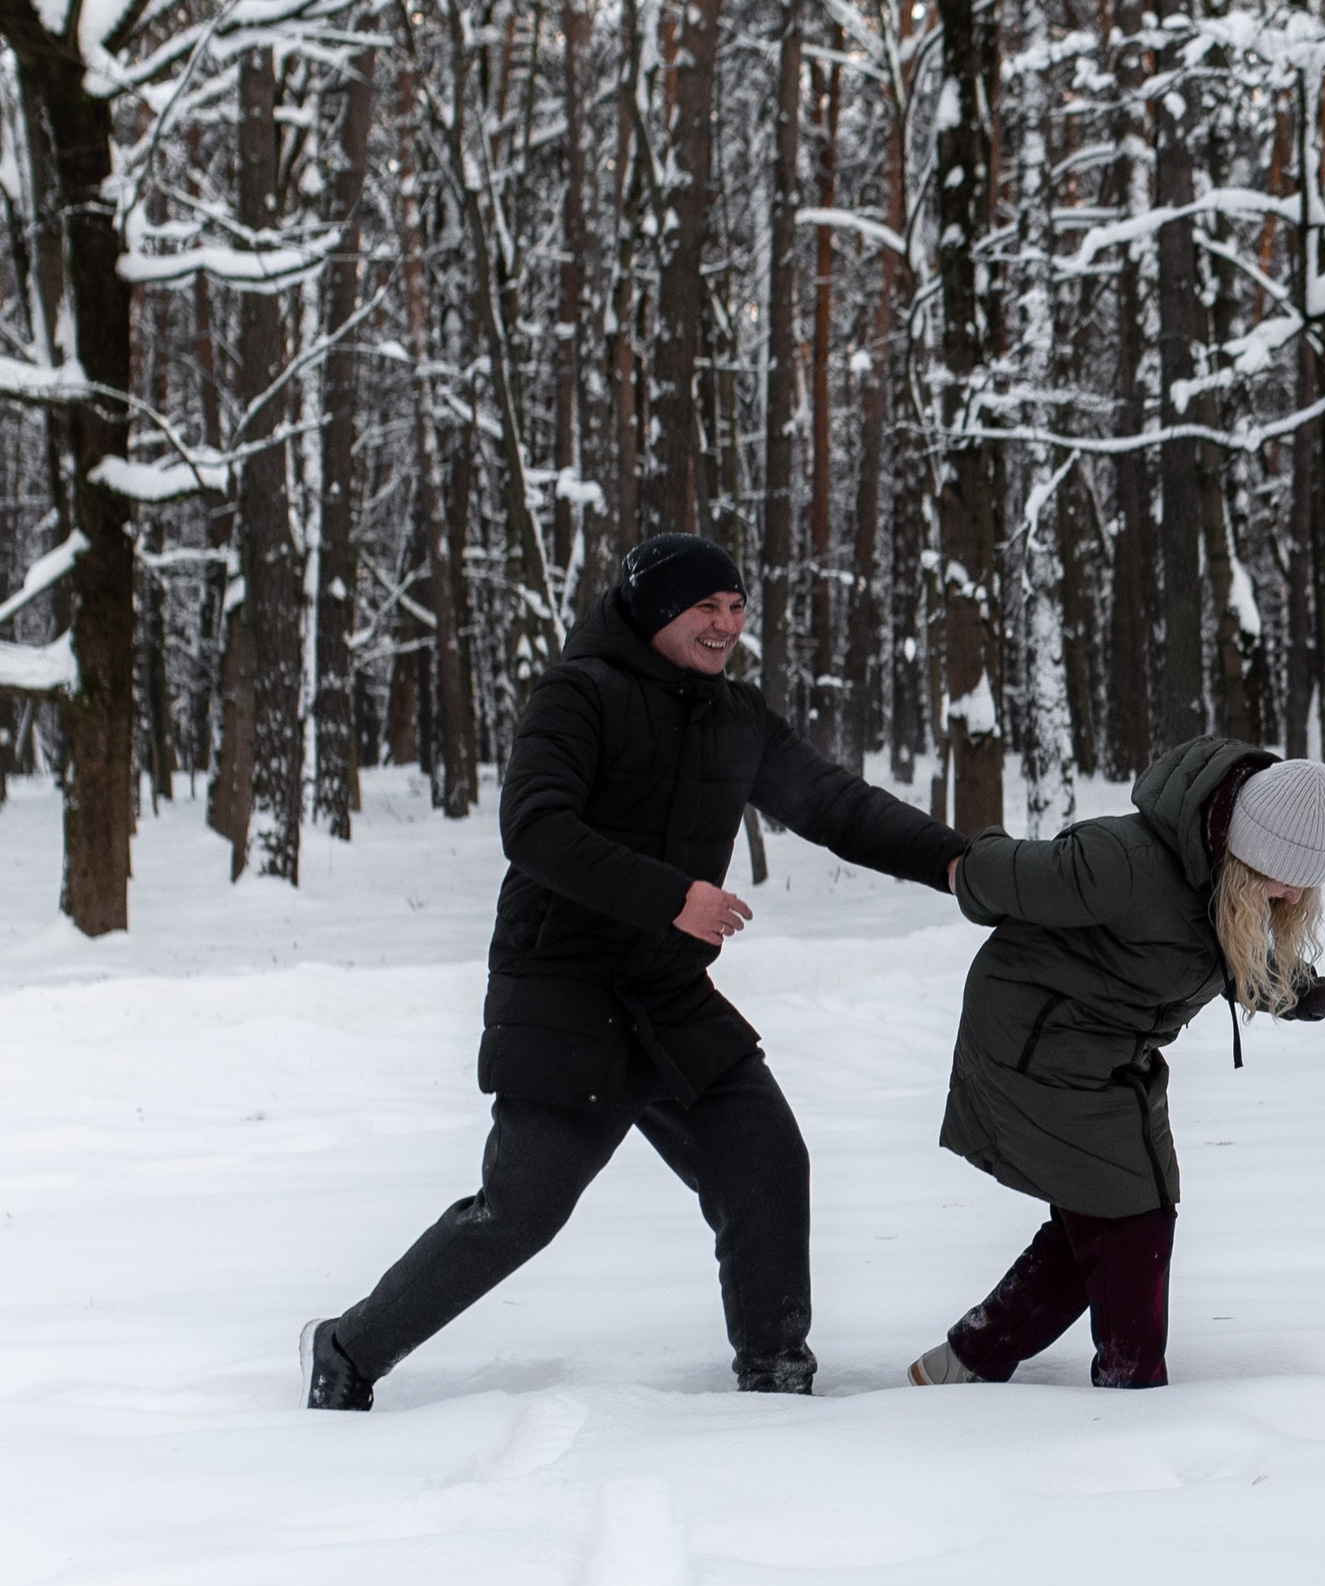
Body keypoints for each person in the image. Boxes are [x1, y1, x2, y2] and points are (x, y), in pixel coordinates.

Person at [302, 533, 967, 1410]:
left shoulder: (736, 718)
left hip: (666, 992)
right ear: (656, 611)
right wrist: (672, 898)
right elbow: (533, 827)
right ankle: (347, 1347)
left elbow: (836, 804)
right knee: (522, 1210)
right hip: (566, 987)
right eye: (707, 609)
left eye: (736, 608)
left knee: (765, 1159)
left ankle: (775, 1370)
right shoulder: (579, 695)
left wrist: (957, 864)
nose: (727, 625)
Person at [907, 737, 1325, 1391]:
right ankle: (1131, 1386)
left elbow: (1221, 953)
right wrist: (959, 862)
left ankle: (971, 1357)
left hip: (1106, 1050)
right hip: (1032, 1038)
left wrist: (1310, 992)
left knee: (1107, 1213)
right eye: (1287, 874)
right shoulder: (1125, 862)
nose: (1291, 895)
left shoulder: (1225, 881)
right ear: (1249, 847)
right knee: (1132, 1212)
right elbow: (1003, 873)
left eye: (1307, 882)